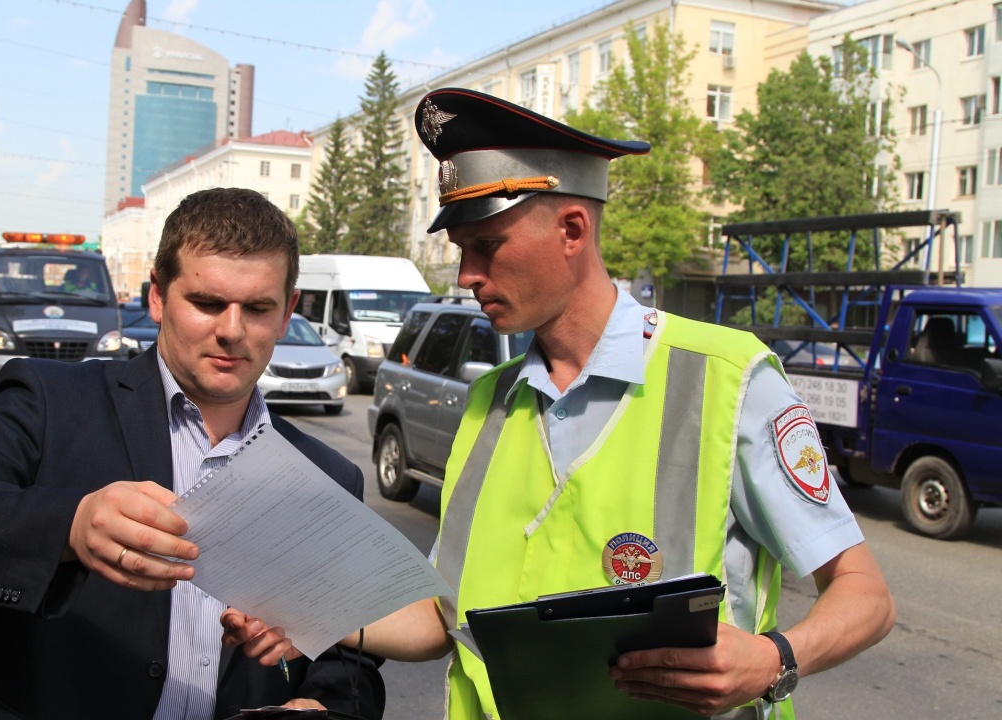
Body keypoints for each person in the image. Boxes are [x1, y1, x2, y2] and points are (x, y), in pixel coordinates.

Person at [229, 88, 897, 719]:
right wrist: (311, 615)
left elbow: (866, 596)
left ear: (572, 230)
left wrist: (775, 659)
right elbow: (444, 617)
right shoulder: (489, 402)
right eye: (461, 251)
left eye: (487, 247)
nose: (466, 276)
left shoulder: (726, 380)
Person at [0, 187, 384, 720]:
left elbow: (353, 653)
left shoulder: (326, 476)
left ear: (287, 313)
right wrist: (70, 526)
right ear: (157, 297)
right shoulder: (50, 402)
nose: (231, 331)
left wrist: (325, 706)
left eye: (257, 308)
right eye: (207, 303)